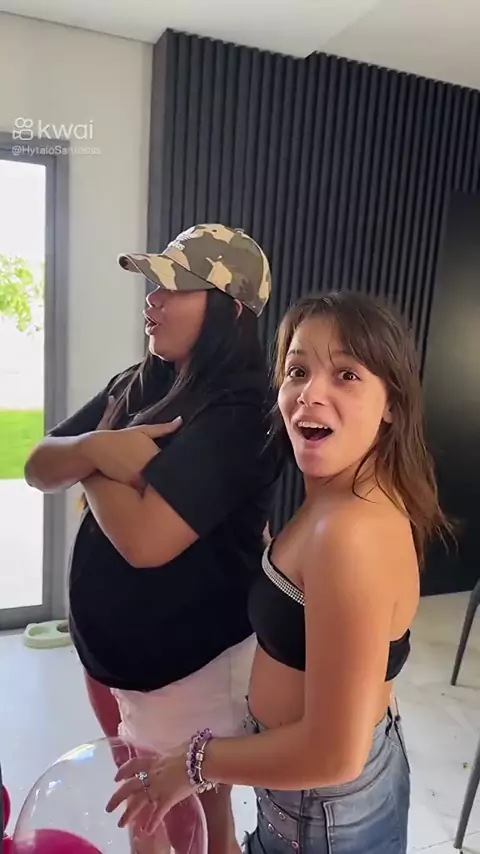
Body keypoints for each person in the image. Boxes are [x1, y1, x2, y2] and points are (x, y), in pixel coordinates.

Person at [106, 291, 453, 854]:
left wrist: (194, 763)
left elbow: (334, 754)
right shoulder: (340, 498)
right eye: (297, 371)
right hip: (329, 795)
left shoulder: (350, 533)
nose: (310, 393)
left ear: (392, 401)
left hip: (324, 813)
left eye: (346, 374)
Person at [25, 224, 279, 854]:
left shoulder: (242, 413)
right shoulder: (141, 382)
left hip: (187, 666)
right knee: (148, 811)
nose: (152, 299)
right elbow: (38, 463)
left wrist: (91, 461)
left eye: (174, 288)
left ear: (229, 309)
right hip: (115, 661)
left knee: (192, 819)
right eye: (153, 284)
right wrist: (98, 448)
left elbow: (146, 542)